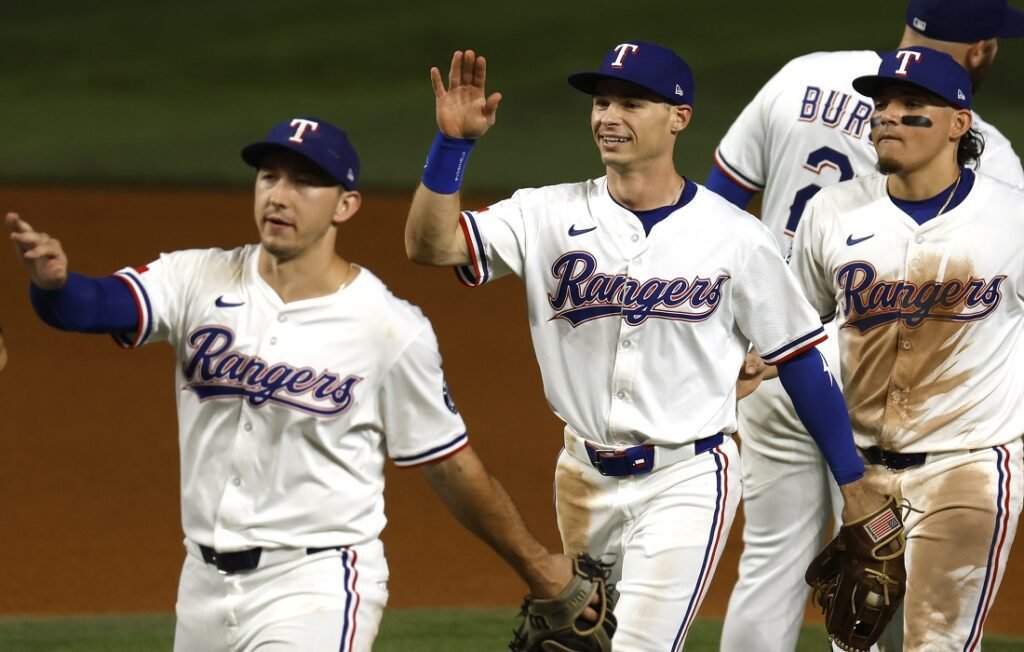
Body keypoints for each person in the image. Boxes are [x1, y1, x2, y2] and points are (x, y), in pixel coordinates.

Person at [6, 116, 577, 652]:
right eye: (269, 176)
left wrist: (536, 566)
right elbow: (92, 306)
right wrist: (54, 285)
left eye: (305, 183)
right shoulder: (196, 278)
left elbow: (450, 464)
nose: (279, 195)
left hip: (318, 585)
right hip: (201, 587)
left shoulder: (388, 328)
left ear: (345, 205)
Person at [404, 42, 889, 650]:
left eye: (631, 103)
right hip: (580, 477)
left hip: (687, 479)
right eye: (602, 102)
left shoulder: (735, 237)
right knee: (586, 642)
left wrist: (852, 482)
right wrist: (453, 145)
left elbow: (800, 363)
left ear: (679, 118)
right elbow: (431, 246)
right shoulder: (544, 213)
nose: (609, 116)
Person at [706, 1, 1024, 648]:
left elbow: (713, 210)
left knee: (775, 566)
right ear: (982, 49)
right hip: (862, 383)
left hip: (780, 357)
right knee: (876, 587)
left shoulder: (802, 76)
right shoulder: (987, 152)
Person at [789, 46, 1024, 651]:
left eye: (911, 105)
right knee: (855, 643)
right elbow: (800, 328)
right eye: (881, 104)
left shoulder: (1011, 218)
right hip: (862, 474)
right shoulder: (833, 212)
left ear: (958, 123)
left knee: (937, 644)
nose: (887, 116)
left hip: (965, 469)